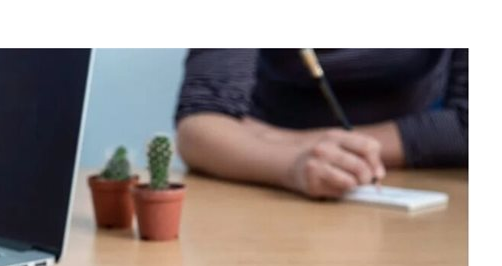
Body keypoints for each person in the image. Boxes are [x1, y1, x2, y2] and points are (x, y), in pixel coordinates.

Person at [175, 49, 468, 198]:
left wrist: (273, 138)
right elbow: (201, 125)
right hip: (263, 179)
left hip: (418, 186)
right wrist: (293, 164)